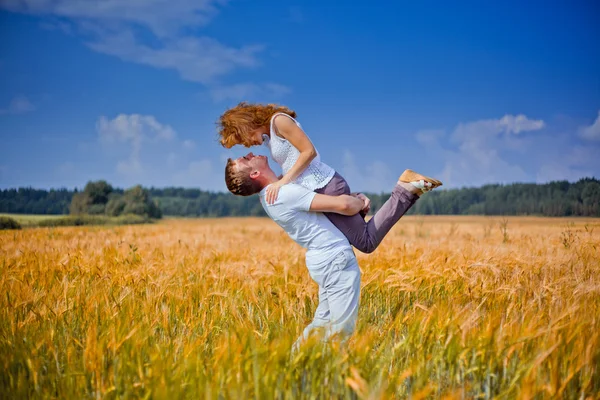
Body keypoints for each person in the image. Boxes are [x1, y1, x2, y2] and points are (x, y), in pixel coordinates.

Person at [224, 152, 441, 352]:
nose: (250, 153)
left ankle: (292, 368)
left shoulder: (274, 196)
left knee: (321, 325)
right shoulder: (283, 193)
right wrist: (356, 201)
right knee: (341, 331)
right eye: (245, 158)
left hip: (325, 261)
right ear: (254, 173)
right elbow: (344, 206)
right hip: (335, 262)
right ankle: (325, 380)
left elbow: (334, 209)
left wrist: (355, 202)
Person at [217, 102, 442, 254]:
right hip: (319, 189)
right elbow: (291, 161)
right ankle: (398, 192)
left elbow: (309, 152)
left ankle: (405, 189)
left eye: (244, 139)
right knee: (355, 237)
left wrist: (283, 182)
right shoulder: (270, 135)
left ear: (246, 124)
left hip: (325, 185)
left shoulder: (279, 122)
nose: (249, 145)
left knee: (365, 242)